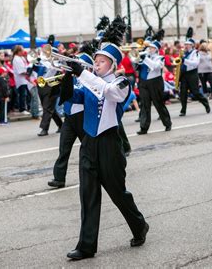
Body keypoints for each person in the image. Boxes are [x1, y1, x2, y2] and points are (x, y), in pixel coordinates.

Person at [61, 17, 148, 260]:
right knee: (87, 195)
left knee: (118, 193)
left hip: (110, 144)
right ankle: (86, 246)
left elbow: (109, 93)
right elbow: (70, 100)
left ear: (112, 64)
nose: (96, 65)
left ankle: (139, 225)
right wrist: (68, 77)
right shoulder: (89, 82)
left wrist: (84, 74)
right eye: (95, 61)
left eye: (101, 62)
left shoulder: (121, 83)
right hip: (88, 144)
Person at [47, 53, 93, 188]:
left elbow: (76, 95)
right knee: (63, 148)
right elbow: (58, 92)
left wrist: (68, 79)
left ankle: (96, 173)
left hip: (82, 117)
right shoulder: (70, 77)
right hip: (69, 117)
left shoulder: (88, 80)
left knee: (89, 149)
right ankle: (59, 178)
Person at [136, 40, 172, 134]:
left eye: (152, 48)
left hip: (155, 83)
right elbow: (137, 65)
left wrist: (145, 58)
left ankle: (167, 123)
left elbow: (155, 67)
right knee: (144, 105)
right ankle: (144, 127)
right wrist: (138, 61)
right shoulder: (146, 56)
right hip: (143, 83)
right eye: (149, 47)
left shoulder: (160, 58)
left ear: (156, 49)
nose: (150, 49)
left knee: (158, 104)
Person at [35, 46, 63, 136]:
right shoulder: (43, 63)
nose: (45, 55)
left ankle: (44, 129)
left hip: (52, 86)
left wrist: (51, 61)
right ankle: (61, 125)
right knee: (50, 108)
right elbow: (34, 70)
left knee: (47, 108)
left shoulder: (57, 64)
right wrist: (34, 62)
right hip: (41, 85)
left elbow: (54, 72)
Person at [179, 38, 210, 116]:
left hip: (192, 74)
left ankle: (205, 103)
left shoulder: (195, 53)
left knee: (195, 92)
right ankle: (183, 110)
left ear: (192, 45)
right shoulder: (184, 53)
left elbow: (195, 63)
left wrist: (184, 61)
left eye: (188, 44)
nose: (186, 46)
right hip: (184, 75)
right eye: (185, 44)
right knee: (183, 93)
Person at [12, 45, 31, 115]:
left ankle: (29, 107)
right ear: (18, 51)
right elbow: (20, 70)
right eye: (22, 50)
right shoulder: (16, 59)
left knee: (27, 94)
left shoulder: (22, 58)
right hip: (21, 80)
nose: (23, 52)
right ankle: (22, 109)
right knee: (23, 94)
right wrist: (27, 72)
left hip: (25, 79)